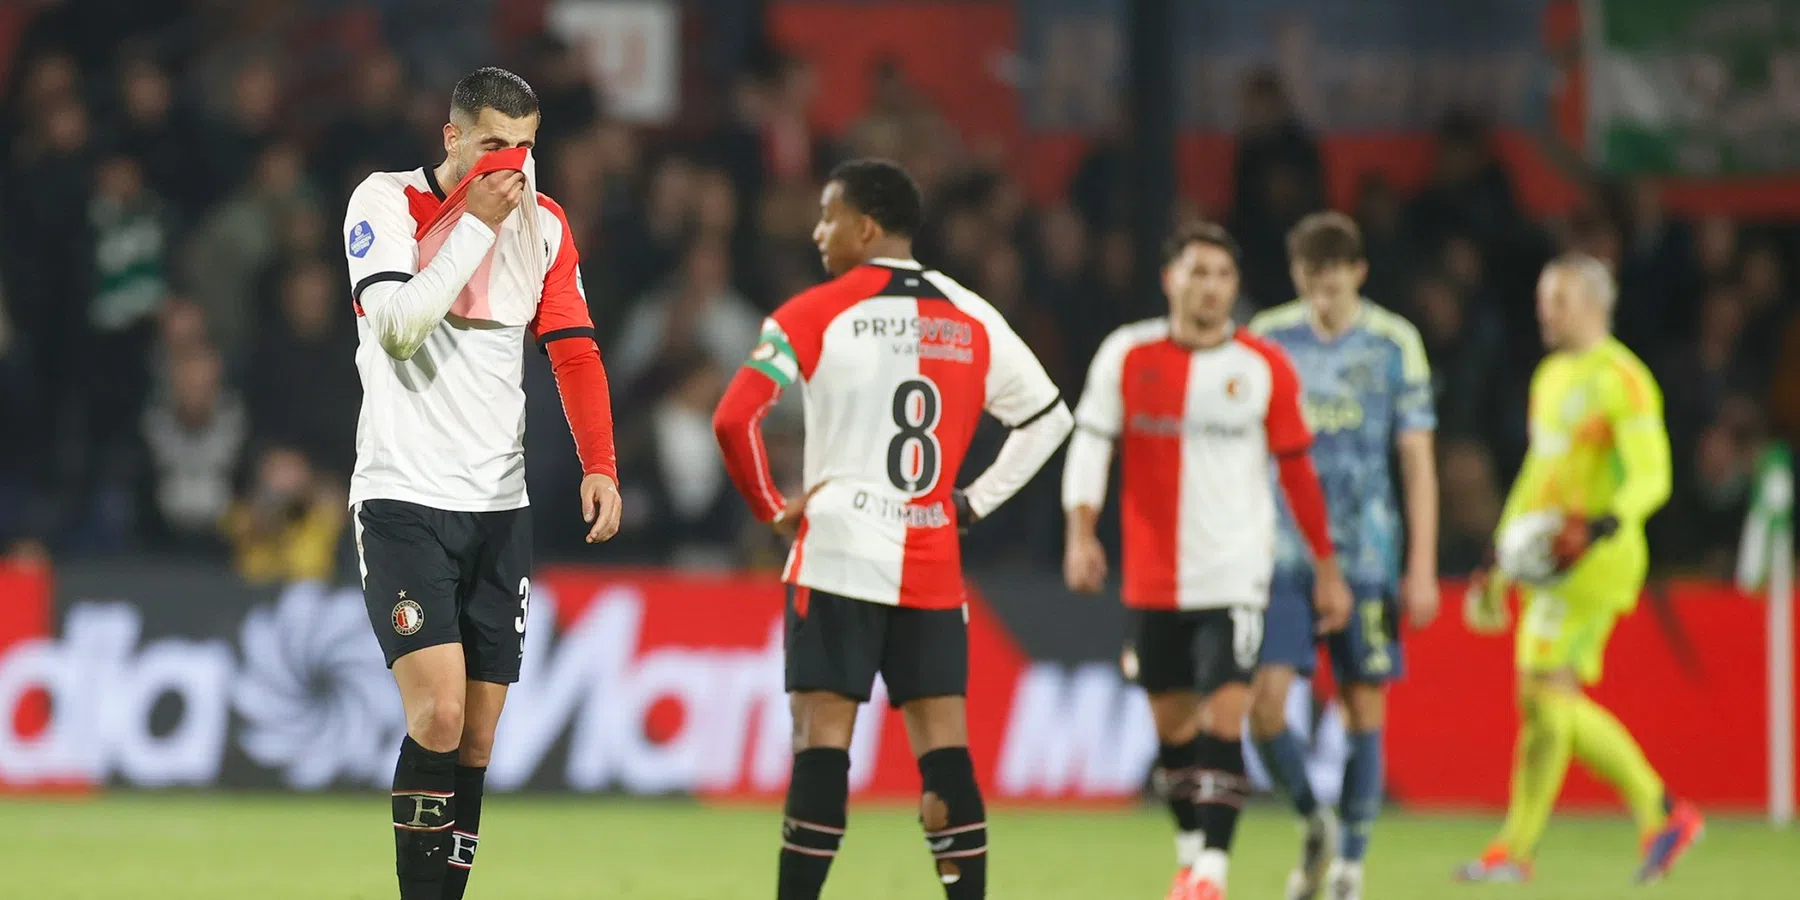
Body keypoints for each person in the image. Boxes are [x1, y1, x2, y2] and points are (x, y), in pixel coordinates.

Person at [712, 158, 1072, 900]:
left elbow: (732, 417)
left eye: (828, 216)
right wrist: (973, 501)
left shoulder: (812, 312)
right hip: (932, 556)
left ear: (865, 227)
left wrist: (768, 505)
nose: (818, 231)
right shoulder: (973, 314)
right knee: (946, 759)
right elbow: (1048, 419)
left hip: (838, 551)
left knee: (820, 750)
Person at [340, 66, 622, 900]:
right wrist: (471, 227)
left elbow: (572, 350)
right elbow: (394, 328)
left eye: (526, 149)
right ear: (452, 136)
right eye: (494, 145)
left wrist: (600, 463)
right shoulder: (384, 203)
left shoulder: (546, 224)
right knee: (437, 714)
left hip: (500, 510)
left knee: (476, 743)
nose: (512, 166)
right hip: (402, 499)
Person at [1062, 221, 1352, 900]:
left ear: (1235, 287)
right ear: (1170, 279)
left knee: (1227, 717)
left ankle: (1212, 875)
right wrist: (1081, 532)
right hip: (1154, 576)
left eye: (1223, 276)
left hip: (1236, 574)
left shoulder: (1262, 368)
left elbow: (1299, 475)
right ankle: (1192, 855)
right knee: (1173, 730)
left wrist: (1326, 566)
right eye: (1197, 273)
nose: (1211, 287)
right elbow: (1090, 446)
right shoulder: (1126, 355)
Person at [1457, 254, 1704, 885]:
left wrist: (1603, 523)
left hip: (1597, 558)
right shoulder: (1552, 376)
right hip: (1551, 560)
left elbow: (1654, 472)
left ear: (1595, 305)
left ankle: (1659, 809)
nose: (1545, 310)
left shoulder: (1623, 378)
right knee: (1540, 703)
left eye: (1559, 299)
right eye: (1544, 298)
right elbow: (1540, 476)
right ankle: (1519, 850)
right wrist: (1501, 556)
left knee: (1544, 694)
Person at [1245, 212, 1440, 900]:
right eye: (1309, 284)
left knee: (1363, 706)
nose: (1321, 299)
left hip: (1368, 557)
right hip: (1282, 553)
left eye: (1332, 284)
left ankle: (1352, 867)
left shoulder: (1394, 344)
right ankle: (1313, 820)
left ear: (1358, 273)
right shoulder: (1268, 339)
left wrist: (1421, 566)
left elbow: (1416, 460)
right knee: (1265, 708)